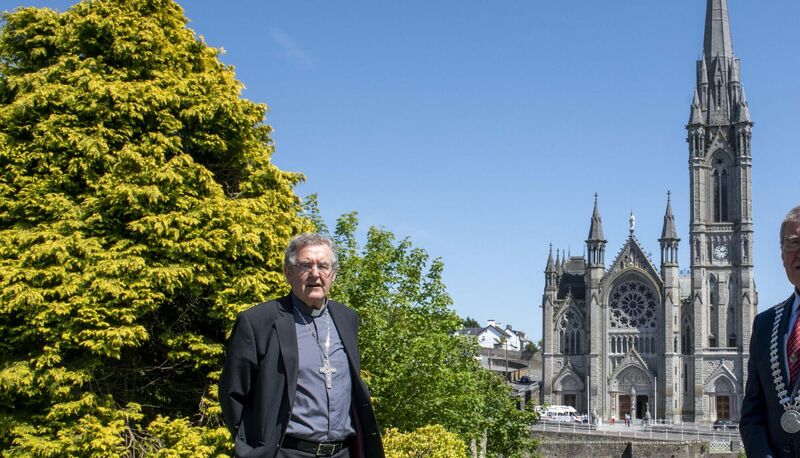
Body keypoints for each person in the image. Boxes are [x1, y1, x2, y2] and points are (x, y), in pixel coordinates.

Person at [219, 233, 384, 458]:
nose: (315, 274)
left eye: (323, 266)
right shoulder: (259, 321)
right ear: (288, 273)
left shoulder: (347, 318)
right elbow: (232, 393)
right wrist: (255, 446)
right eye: (306, 265)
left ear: (333, 274)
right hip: (287, 453)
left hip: (342, 452)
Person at [741, 205, 800, 457]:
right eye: (792, 243)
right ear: (781, 254)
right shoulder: (765, 325)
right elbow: (752, 414)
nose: (798, 252)